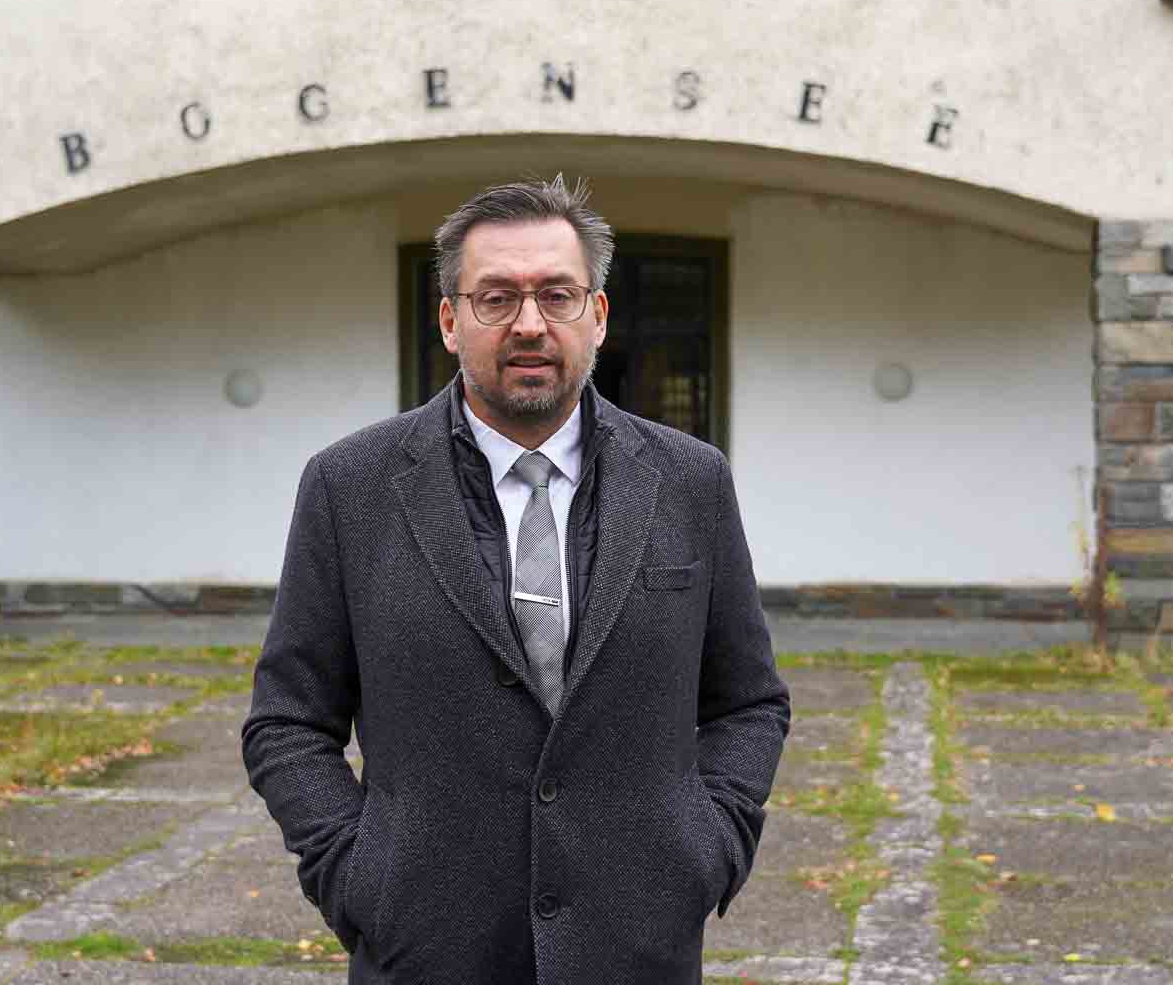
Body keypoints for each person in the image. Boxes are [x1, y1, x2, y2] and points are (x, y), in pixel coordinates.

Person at [241, 176, 790, 984]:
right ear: (450, 320)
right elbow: (286, 720)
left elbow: (748, 703)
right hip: (425, 952)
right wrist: (358, 878)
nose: (530, 324)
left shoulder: (690, 482)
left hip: (637, 949)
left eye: (557, 296)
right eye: (496, 298)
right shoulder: (350, 487)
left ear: (597, 316)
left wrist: (707, 849)